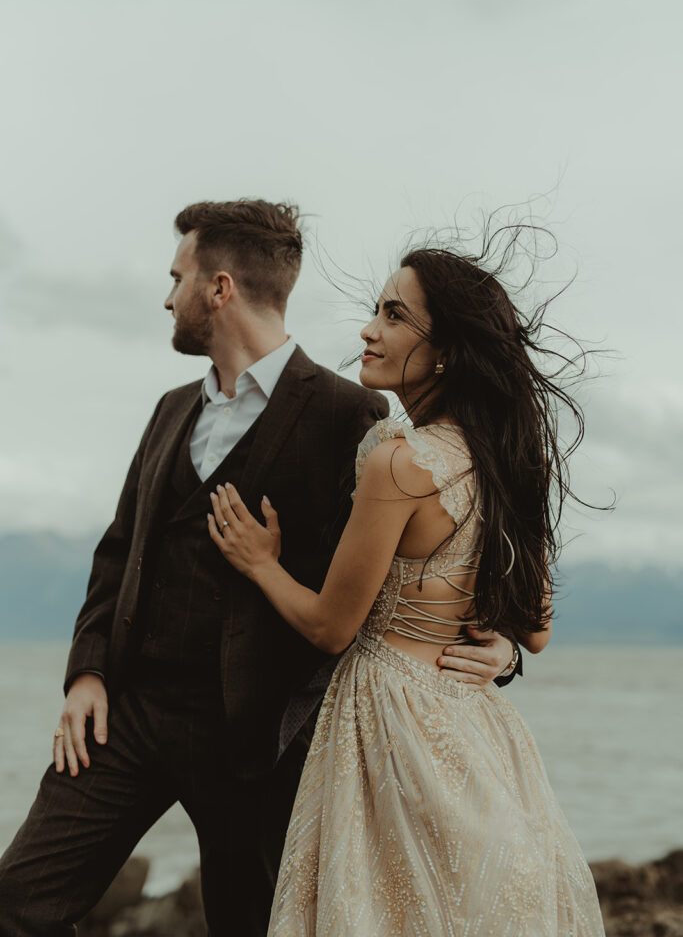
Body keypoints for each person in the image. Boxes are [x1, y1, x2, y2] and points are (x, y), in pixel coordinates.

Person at [0, 201, 519, 937]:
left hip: (259, 738)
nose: (166, 295)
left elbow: (416, 558)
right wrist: (86, 674)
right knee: (17, 899)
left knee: (252, 925)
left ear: (219, 289)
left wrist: (495, 646)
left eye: (177, 276)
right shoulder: (169, 409)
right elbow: (118, 551)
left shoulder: (352, 417)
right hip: (128, 718)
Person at [207, 242, 606, 935]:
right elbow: (534, 629)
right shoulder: (511, 457)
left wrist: (260, 561)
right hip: (473, 723)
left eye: (393, 315)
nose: (368, 329)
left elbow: (332, 626)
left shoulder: (400, 463)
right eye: (375, 310)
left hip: (389, 719)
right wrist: (504, 650)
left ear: (446, 349)